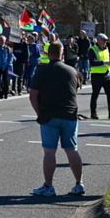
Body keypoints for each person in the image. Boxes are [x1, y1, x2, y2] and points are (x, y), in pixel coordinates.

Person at [29, 42, 84, 197]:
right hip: (70, 114)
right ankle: (79, 184)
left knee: (49, 151)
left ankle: (48, 186)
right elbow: (74, 91)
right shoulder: (72, 71)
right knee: (72, 150)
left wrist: (39, 113)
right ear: (62, 53)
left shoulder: (42, 71)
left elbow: (33, 95)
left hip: (49, 114)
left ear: (48, 53)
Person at [88, 34, 110, 120]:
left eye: (106, 41)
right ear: (98, 41)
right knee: (95, 94)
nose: (105, 43)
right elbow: (92, 62)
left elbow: (109, 59)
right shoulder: (92, 49)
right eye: (104, 41)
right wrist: (105, 62)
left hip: (106, 74)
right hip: (97, 75)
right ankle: (93, 113)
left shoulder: (106, 48)